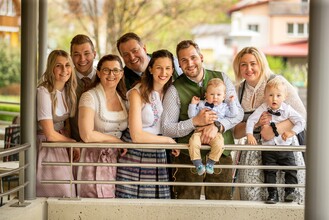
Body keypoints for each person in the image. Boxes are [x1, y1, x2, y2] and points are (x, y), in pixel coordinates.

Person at [162, 40, 244, 200]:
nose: (190, 63)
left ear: (201, 57)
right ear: (179, 64)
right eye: (184, 60)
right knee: (187, 208)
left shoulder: (222, 78)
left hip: (221, 156)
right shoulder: (174, 89)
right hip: (187, 159)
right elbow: (167, 128)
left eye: (193, 57)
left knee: (220, 208)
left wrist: (218, 125)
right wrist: (194, 122)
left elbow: (238, 113)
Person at [232, 46, 306, 203]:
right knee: (254, 200)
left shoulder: (278, 83)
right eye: (243, 64)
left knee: (287, 198)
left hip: (283, 147)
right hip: (253, 152)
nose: (248, 68)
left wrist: (272, 131)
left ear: (261, 64)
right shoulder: (238, 90)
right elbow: (236, 133)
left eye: (253, 63)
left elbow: (302, 115)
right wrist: (257, 124)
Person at [116, 49, 180, 199]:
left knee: (157, 203)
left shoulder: (172, 91)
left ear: (172, 71)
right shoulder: (136, 92)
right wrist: (169, 141)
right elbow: (136, 135)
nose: (163, 72)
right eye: (159, 67)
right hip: (135, 153)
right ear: (150, 69)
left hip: (158, 153)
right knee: (132, 203)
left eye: (168, 68)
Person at [246, 77, 306, 204]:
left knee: (291, 169)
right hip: (269, 148)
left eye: (278, 95)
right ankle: (272, 194)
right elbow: (251, 120)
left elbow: (301, 121)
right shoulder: (263, 108)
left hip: (285, 147)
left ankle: (290, 192)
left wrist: (292, 132)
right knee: (269, 172)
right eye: (271, 95)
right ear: (265, 96)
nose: (274, 98)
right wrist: (249, 134)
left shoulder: (288, 109)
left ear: (285, 97)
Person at [77, 54, 128, 198]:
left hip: (118, 160)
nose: (111, 74)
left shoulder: (124, 98)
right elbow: (87, 135)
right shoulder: (89, 97)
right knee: (95, 200)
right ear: (98, 73)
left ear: (121, 73)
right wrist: (117, 142)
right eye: (106, 70)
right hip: (94, 158)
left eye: (116, 70)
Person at [36, 50, 78, 197]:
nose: (64, 70)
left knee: (69, 190)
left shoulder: (68, 91)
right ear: (51, 68)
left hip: (61, 144)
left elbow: (66, 123)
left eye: (67, 65)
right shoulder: (44, 91)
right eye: (59, 66)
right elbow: (49, 134)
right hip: (46, 145)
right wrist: (72, 143)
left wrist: (69, 145)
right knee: (58, 191)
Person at [188, 78, 238, 175]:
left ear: (224, 96)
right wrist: (193, 105)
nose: (215, 97)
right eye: (212, 94)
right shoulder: (202, 104)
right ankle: (198, 164)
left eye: (218, 95)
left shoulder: (224, 107)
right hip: (199, 131)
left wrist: (232, 103)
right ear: (206, 95)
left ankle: (210, 163)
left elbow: (233, 114)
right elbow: (192, 116)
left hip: (216, 133)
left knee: (219, 144)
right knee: (193, 142)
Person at [116, 32, 182, 90]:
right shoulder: (121, 81)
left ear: (144, 49)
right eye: (126, 54)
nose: (132, 57)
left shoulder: (170, 61)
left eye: (135, 51)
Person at [69, 34, 97, 142]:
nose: (82, 59)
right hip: (72, 147)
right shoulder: (65, 81)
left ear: (94, 54)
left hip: (101, 146)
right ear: (71, 56)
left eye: (86, 53)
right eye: (77, 54)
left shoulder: (106, 79)